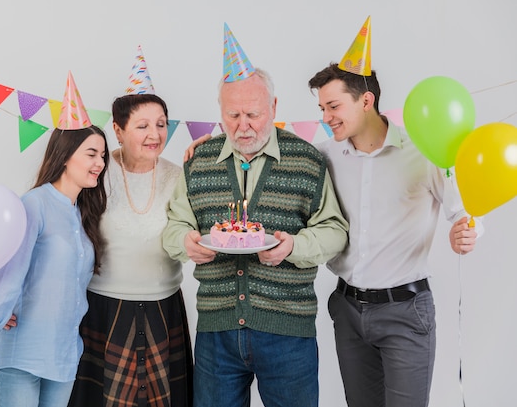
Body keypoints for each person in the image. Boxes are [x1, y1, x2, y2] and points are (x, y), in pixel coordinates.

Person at [162, 68, 349, 407]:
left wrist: (294, 247)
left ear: (274, 107)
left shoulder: (307, 160)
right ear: (220, 111)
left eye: (253, 114)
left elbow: (334, 231)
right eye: (232, 115)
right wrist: (186, 242)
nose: (242, 125)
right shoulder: (199, 160)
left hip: (288, 333)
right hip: (216, 333)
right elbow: (175, 226)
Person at [307, 62, 481, 407]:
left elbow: (464, 210)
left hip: (406, 311)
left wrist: (467, 231)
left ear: (365, 101)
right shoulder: (325, 156)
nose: (326, 117)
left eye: (334, 106)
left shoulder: (423, 151)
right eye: (322, 108)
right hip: (348, 310)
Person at [0, 124, 109, 407]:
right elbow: (7, 278)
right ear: (65, 155)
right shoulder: (33, 205)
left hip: (63, 359)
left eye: (102, 155)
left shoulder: (82, 216)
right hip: (21, 356)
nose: (100, 163)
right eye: (91, 154)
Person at [67, 93, 193, 407]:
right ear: (118, 130)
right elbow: (57, 233)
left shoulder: (180, 176)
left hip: (164, 309)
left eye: (161, 124)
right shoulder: (96, 172)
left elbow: (188, 238)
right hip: (103, 310)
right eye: (142, 126)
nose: (155, 134)